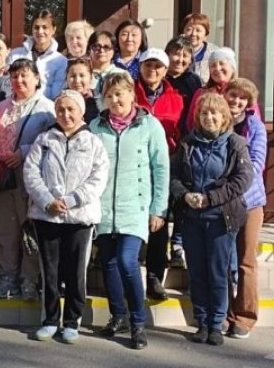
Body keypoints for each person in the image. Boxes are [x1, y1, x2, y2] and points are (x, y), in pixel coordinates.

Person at [90, 71, 169, 350]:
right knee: (109, 264)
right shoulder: (96, 127)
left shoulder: (150, 126)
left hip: (135, 207)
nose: (114, 99)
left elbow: (161, 169)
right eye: (109, 95)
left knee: (127, 261)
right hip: (103, 208)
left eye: (119, 93)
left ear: (132, 94)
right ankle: (118, 316)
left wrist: (158, 209)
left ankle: (138, 321)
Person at [23, 90, 109, 344]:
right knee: (50, 271)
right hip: (47, 216)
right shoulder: (45, 139)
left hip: (79, 217)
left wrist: (72, 200)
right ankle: (50, 320)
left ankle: (72, 321)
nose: (65, 115)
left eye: (71, 109)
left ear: (81, 111)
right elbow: (31, 173)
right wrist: (47, 201)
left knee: (75, 272)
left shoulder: (93, 143)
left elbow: (98, 178)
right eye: (60, 110)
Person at [170, 93, 253, 346]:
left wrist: (210, 198)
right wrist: (185, 196)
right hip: (192, 218)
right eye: (204, 113)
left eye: (214, 113)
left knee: (218, 273)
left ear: (224, 116)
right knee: (196, 272)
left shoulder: (235, 144)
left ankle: (216, 324)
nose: (209, 117)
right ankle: (202, 321)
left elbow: (242, 180)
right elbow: (174, 176)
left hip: (220, 219)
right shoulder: (187, 143)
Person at [0, 59, 55, 300]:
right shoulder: (2, 106)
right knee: (5, 232)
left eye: (24, 75)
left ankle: (29, 279)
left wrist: (25, 152)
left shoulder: (46, 108)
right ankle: (7, 277)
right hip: (3, 178)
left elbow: (52, 143)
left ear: (37, 78)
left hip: (30, 179)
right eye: (15, 76)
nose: (19, 81)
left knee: (29, 231)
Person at [133, 48, 184, 302]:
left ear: (166, 70)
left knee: (158, 220)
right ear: (140, 67)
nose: (152, 70)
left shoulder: (176, 98)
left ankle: (154, 276)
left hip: (164, 163)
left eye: (158, 66)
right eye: (148, 65)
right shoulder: (130, 92)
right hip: (133, 163)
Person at [224, 78, 267, 340]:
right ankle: (224, 314)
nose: (237, 102)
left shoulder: (256, 127)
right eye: (233, 95)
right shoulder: (216, 120)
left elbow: (257, 162)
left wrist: (231, 184)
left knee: (246, 262)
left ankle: (245, 318)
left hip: (250, 202)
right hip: (222, 203)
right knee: (223, 262)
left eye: (242, 98)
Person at [5, 10, 68, 100]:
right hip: (17, 105)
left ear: (53, 30)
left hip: (45, 108)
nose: (40, 31)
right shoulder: (15, 54)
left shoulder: (61, 61)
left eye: (45, 27)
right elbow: (8, 85)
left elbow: (56, 92)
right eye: (36, 27)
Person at [185, 47, 250, 133]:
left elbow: (253, 122)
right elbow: (191, 124)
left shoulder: (244, 91)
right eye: (213, 65)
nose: (217, 68)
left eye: (222, 63)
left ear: (232, 68)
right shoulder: (201, 93)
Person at [165, 36, 203, 138]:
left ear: (191, 60)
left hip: (187, 135)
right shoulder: (159, 78)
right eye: (176, 54)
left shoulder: (194, 81)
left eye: (185, 56)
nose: (180, 60)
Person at [181, 13, 218, 83]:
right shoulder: (175, 51)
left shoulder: (214, 53)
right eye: (189, 29)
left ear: (206, 34)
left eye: (198, 30)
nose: (193, 34)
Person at [87, 29, 122, 98]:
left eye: (106, 47)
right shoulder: (81, 73)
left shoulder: (121, 74)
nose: (101, 50)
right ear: (89, 50)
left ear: (114, 50)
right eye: (96, 46)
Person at [65, 57, 100, 123]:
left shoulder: (100, 102)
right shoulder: (59, 102)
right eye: (73, 76)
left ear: (91, 77)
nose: (77, 81)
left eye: (82, 76)